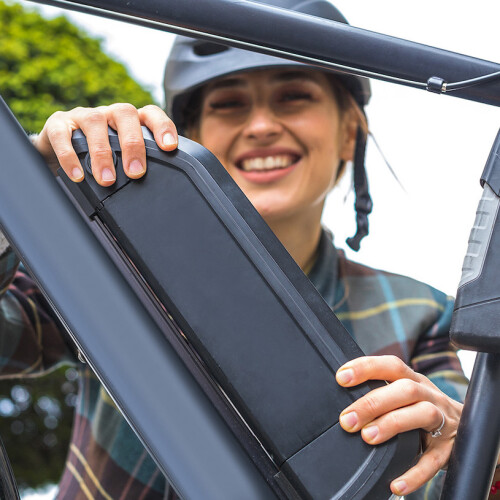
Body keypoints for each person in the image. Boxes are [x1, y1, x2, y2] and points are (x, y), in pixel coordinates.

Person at [0, 0, 495, 498]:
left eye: (293, 97)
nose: (261, 126)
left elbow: (447, 466)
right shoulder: (114, 260)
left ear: (350, 132)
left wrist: (457, 440)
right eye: (229, 103)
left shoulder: (422, 314)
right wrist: (22, 199)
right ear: (188, 135)